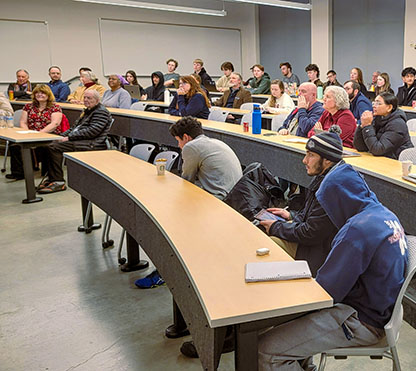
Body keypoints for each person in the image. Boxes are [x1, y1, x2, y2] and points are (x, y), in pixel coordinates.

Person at [257, 161, 407, 371]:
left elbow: (325, 294)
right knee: (285, 328)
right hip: (380, 310)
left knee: (266, 349)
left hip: (361, 320)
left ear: (338, 202)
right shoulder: (385, 215)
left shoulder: (356, 231)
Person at [135, 116, 242, 289]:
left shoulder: (192, 147)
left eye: (178, 141)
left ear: (186, 137)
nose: (178, 146)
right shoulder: (212, 142)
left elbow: (186, 180)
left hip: (217, 202)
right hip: (231, 198)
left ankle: (165, 272)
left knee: (168, 218)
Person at [258, 132, 341, 272]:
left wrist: (275, 227)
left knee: (267, 243)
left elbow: (310, 233)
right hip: (313, 244)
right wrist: (290, 216)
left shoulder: (331, 188)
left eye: (311, 155)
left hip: (316, 254)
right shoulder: (325, 177)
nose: (304, 160)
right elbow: (313, 219)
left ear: (327, 160)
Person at [40, 90, 111, 194]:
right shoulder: (88, 110)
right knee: (48, 144)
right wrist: (60, 136)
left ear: (97, 100)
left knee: (53, 147)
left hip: (92, 143)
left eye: (89, 98)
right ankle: (52, 178)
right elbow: (74, 128)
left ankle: (58, 181)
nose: (86, 100)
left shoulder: (101, 111)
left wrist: (69, 138)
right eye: (85, 97)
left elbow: (92, 132)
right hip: (81, 140)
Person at [6, 85, 63, 182]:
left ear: (48, 95)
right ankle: (19, 173)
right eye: (37, 93)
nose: (40, 95)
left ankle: (47, 172)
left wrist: (39, 134)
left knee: (48, 147)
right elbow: (23, 122)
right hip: (30, 134)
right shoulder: (28, 106)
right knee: (15, 145)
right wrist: (28, 133)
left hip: (48, 134)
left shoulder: (55, 107)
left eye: (43, 93)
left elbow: (55, 123)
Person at [353, 92, 413, 159]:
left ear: (389, 107)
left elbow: (378, 150)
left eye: (378, 103)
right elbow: (360, 147)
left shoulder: (398, 124)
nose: (374, 106)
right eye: (374, 103)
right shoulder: (376, 118)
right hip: (381, 159)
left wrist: (367, 126)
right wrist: (362, 126)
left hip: (397, 161)